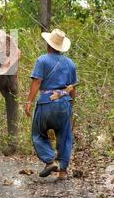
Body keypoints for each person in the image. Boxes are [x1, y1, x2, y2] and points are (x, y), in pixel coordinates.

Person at [25, 29, 78, 180]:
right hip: (64, 103)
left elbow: (37, 81)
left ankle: (49, 161)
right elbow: (72, 87)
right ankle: (63, 172)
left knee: (38, 134)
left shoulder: (42, 60)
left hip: (46, 103)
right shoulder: (70, 63)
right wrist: (71, 105)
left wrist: (29, 101)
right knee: (65, 137)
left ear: (48, 44)